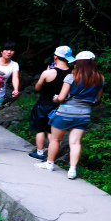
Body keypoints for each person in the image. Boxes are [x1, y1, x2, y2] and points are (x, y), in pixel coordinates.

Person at [34, 51, 104, 179]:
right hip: (84, 115)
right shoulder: (100, 79)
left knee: (55, 139)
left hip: (65, 112)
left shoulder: (72, 77)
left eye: (76, 62)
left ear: (79, 63)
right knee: (76, 143)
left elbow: (61, 97)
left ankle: (49, 164)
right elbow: (98, 99)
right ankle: (72, 170)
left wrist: (56, 98)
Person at [27, 46, 73, 160]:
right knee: (52, 131)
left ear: (55, 57)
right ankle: (52, 156)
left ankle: (40, 152)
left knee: (40, 129)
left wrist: (47, 72)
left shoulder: (48, 73)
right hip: (60, 106)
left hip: (43, 104)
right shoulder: (72, 74)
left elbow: (37, 87)